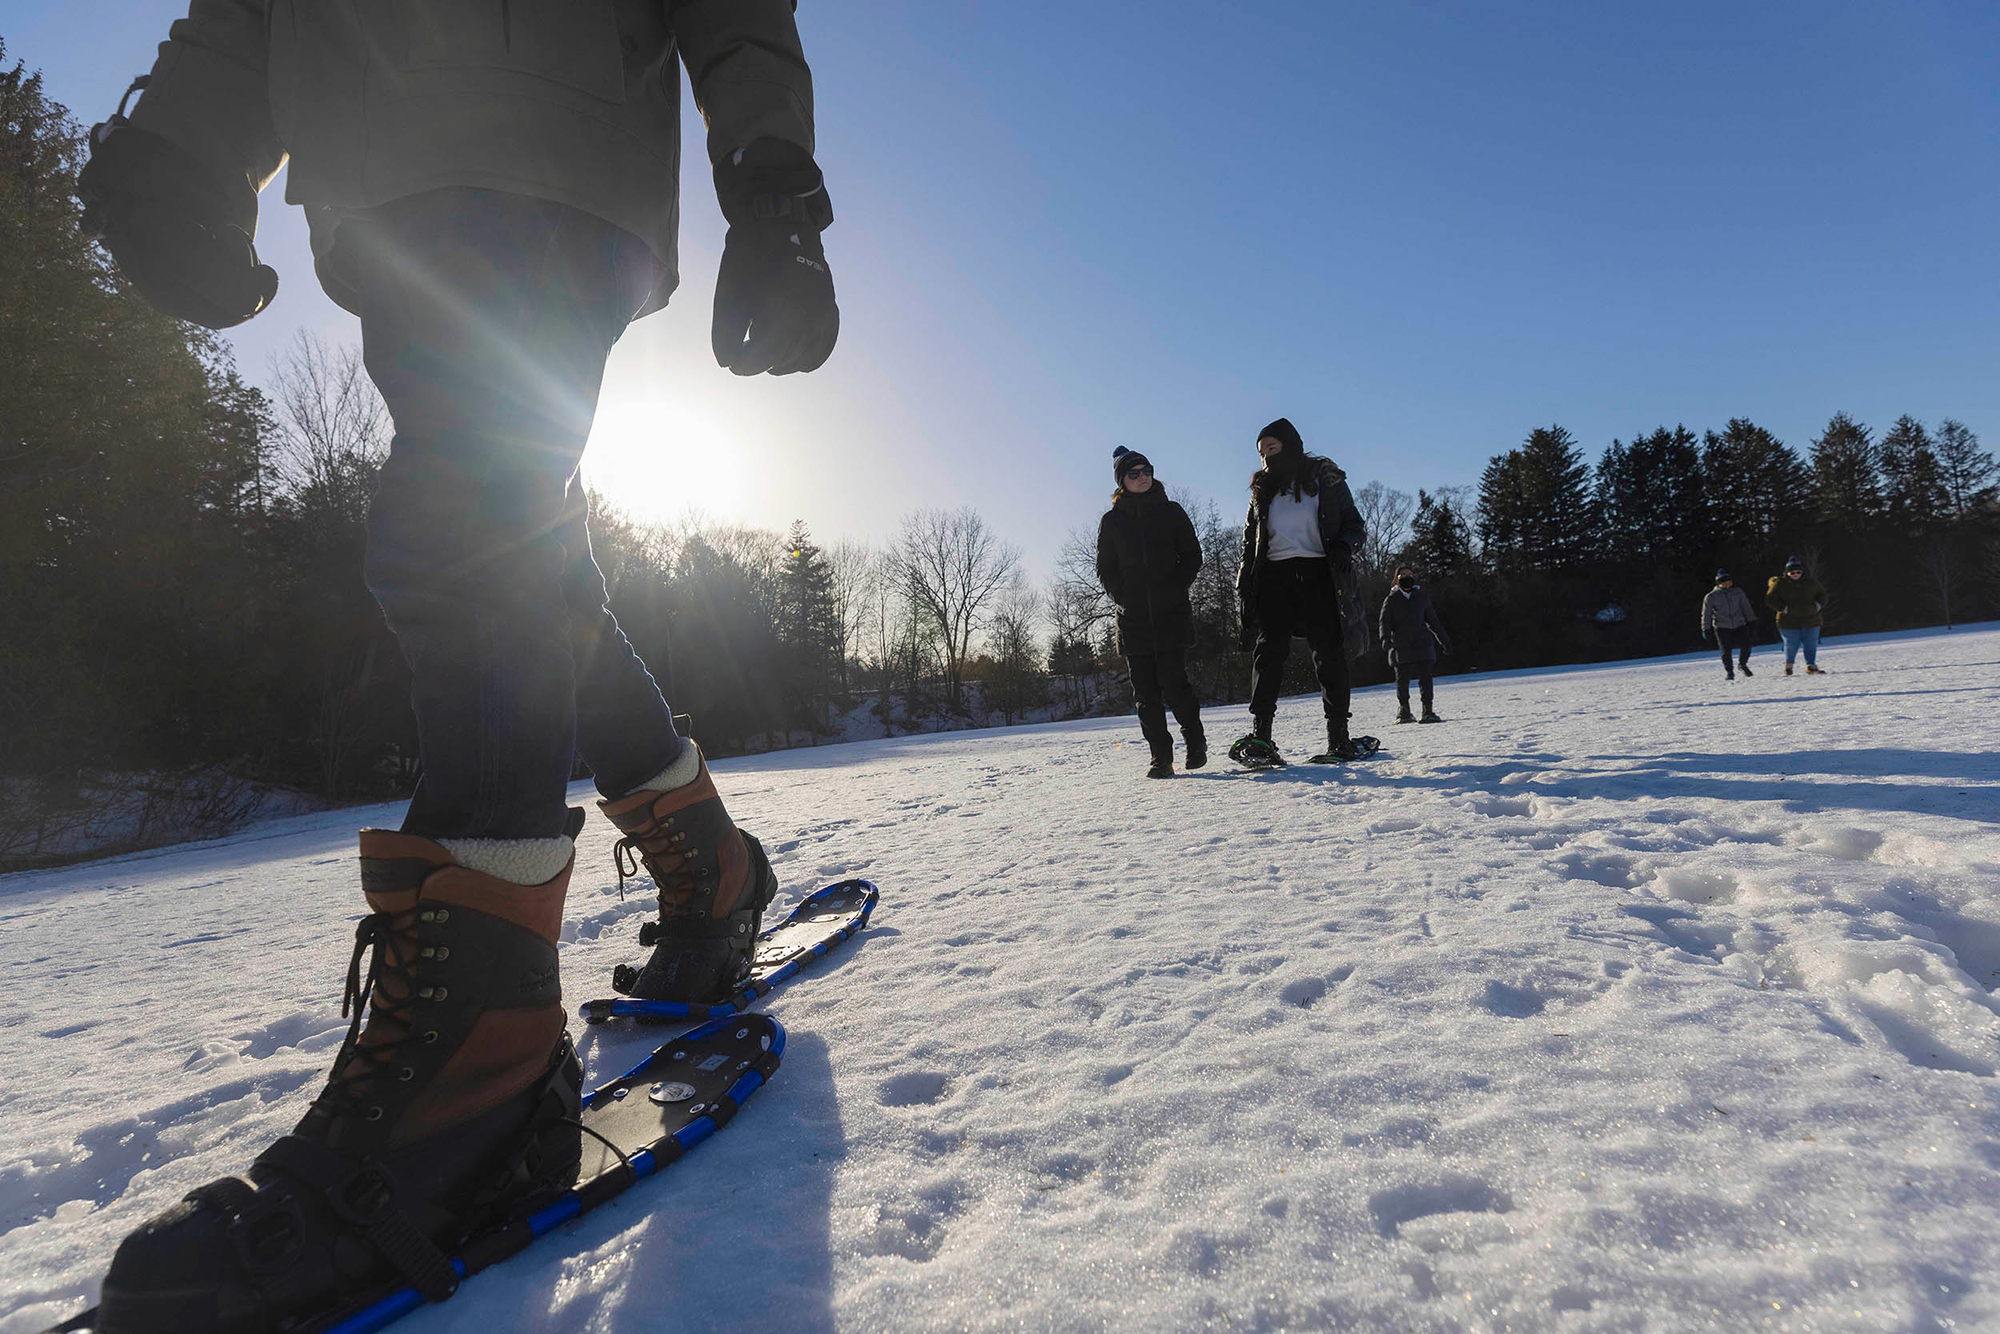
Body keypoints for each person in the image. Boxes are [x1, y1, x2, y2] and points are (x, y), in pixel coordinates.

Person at [72, 2, 837, 1327]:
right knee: (519, 559)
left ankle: (483, 1061)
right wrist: (185, 139)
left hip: (545, 133)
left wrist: (771, 175)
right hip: (376, 168)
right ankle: (704, 852)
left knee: (468, 529)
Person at [1230, 417, 1372, 765]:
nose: (1266, 457)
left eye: (1272, 448)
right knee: (1269, 653)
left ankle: (1339, 737)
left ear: (1291, 444)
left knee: (1329, 653)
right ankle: (1262, 735)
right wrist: (1245, 583)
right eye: (1261, 453)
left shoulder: (1325, 477)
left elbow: (1355, 523)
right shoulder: (1262, 490)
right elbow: (1251, 542)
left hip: (1320, 573)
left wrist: (1342, 547)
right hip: (1274, 577)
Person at [1096, 447, 1206, 777]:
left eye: (1147, 470)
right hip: (1133, 621)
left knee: (1176, 685)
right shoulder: (1112, 521)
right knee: (1145, 693)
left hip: (1170, 614)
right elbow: (1105, 568)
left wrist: (1174, 590)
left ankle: (1195, 742)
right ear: (1122, 481)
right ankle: (1161, 756)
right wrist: (1123, 597)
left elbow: (1192, 556)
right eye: (1134, 473)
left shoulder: (1171, 512)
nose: (1143, 476)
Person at [1378, 566, 1451, 722]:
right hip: (1400, 645)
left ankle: (1427, 711)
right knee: (1402, 680)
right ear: (1396, 578)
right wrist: (1386, 641)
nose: (1407, 577)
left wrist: (1444, 640)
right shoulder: (1391, 599)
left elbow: (1433, 621)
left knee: (1426, 678)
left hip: (1422, 643)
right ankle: (1404, 711)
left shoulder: (1421, 597)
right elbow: (1384, 623)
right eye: (1403, 575)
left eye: (1410, 574)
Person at [1766, 556, 1829, 675]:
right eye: (1792, 572)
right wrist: (1783, 608)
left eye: (1798, 572)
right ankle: (1789, 665)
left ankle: (1811, 665)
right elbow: (1770, 599)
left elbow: (1823, 595)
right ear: (1786, 572)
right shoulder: (1779, 584)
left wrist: (1817, 606)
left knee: (1811, 642)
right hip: (1788, 620)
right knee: (1791, 644)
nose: (1795, 574)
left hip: (1811, 618)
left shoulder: (1811, 582)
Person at [1700, 568, 1757, 681]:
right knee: (1726, 651)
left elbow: (1746, 607)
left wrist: (1751, 620)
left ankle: (1742, 664)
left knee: (1746, 645)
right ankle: (1729, 671)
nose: (1727, 584)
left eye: (1728, 581)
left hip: (1739, 623)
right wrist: (1706, 628)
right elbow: (1706, 614)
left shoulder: (1738, 592)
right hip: (1722, 626)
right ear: (1718, 583)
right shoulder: (1711, 597)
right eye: (1723, 582)